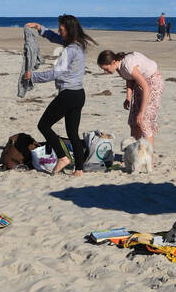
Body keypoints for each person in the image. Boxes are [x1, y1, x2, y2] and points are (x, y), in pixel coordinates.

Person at [23, 16, 97, 176]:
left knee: (43, 125)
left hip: (68, 95)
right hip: (79, 94)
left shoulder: (70, 50)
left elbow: (56, 72)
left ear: (69, 31)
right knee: (72, 133)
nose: (59, 32)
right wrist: (39, 28)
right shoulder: (78, 44)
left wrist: (33, 77)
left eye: (62, 29)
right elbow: (55, 38)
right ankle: (79, 169)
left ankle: (63, 157)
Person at [96, 49, 164, 152]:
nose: (105, 71)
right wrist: (128, 97)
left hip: (152, 82)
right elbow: (129, 78)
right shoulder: (119, 67)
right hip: (140, 83)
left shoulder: (127, 65)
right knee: (134, 121)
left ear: (113, 62)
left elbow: (146, 88)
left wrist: (141, 112)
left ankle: (149, 158)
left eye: (106, 68)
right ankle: (135, 152)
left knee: (143, 121)